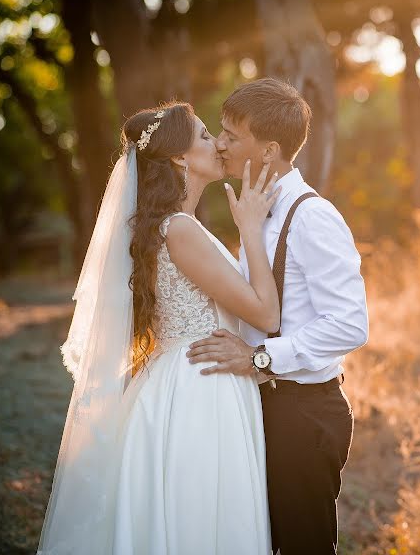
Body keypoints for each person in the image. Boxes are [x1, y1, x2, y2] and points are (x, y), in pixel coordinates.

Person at [39, 101, 279, 554]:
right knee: (200, 518)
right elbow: (265, 315)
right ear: (179, 157)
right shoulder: (181, 230)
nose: (218, 145)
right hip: (199, 390)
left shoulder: (173, 228)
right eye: (206, 136)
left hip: (184, 379)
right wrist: (250, 228)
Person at [187, 78, 370, 554]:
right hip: (262, 408)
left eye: (231, 135)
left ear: (267, 151)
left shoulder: (311, 216)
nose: (219, 143)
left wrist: (260, 359)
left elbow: (350, 323)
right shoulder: (256, 211)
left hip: (304, 414)